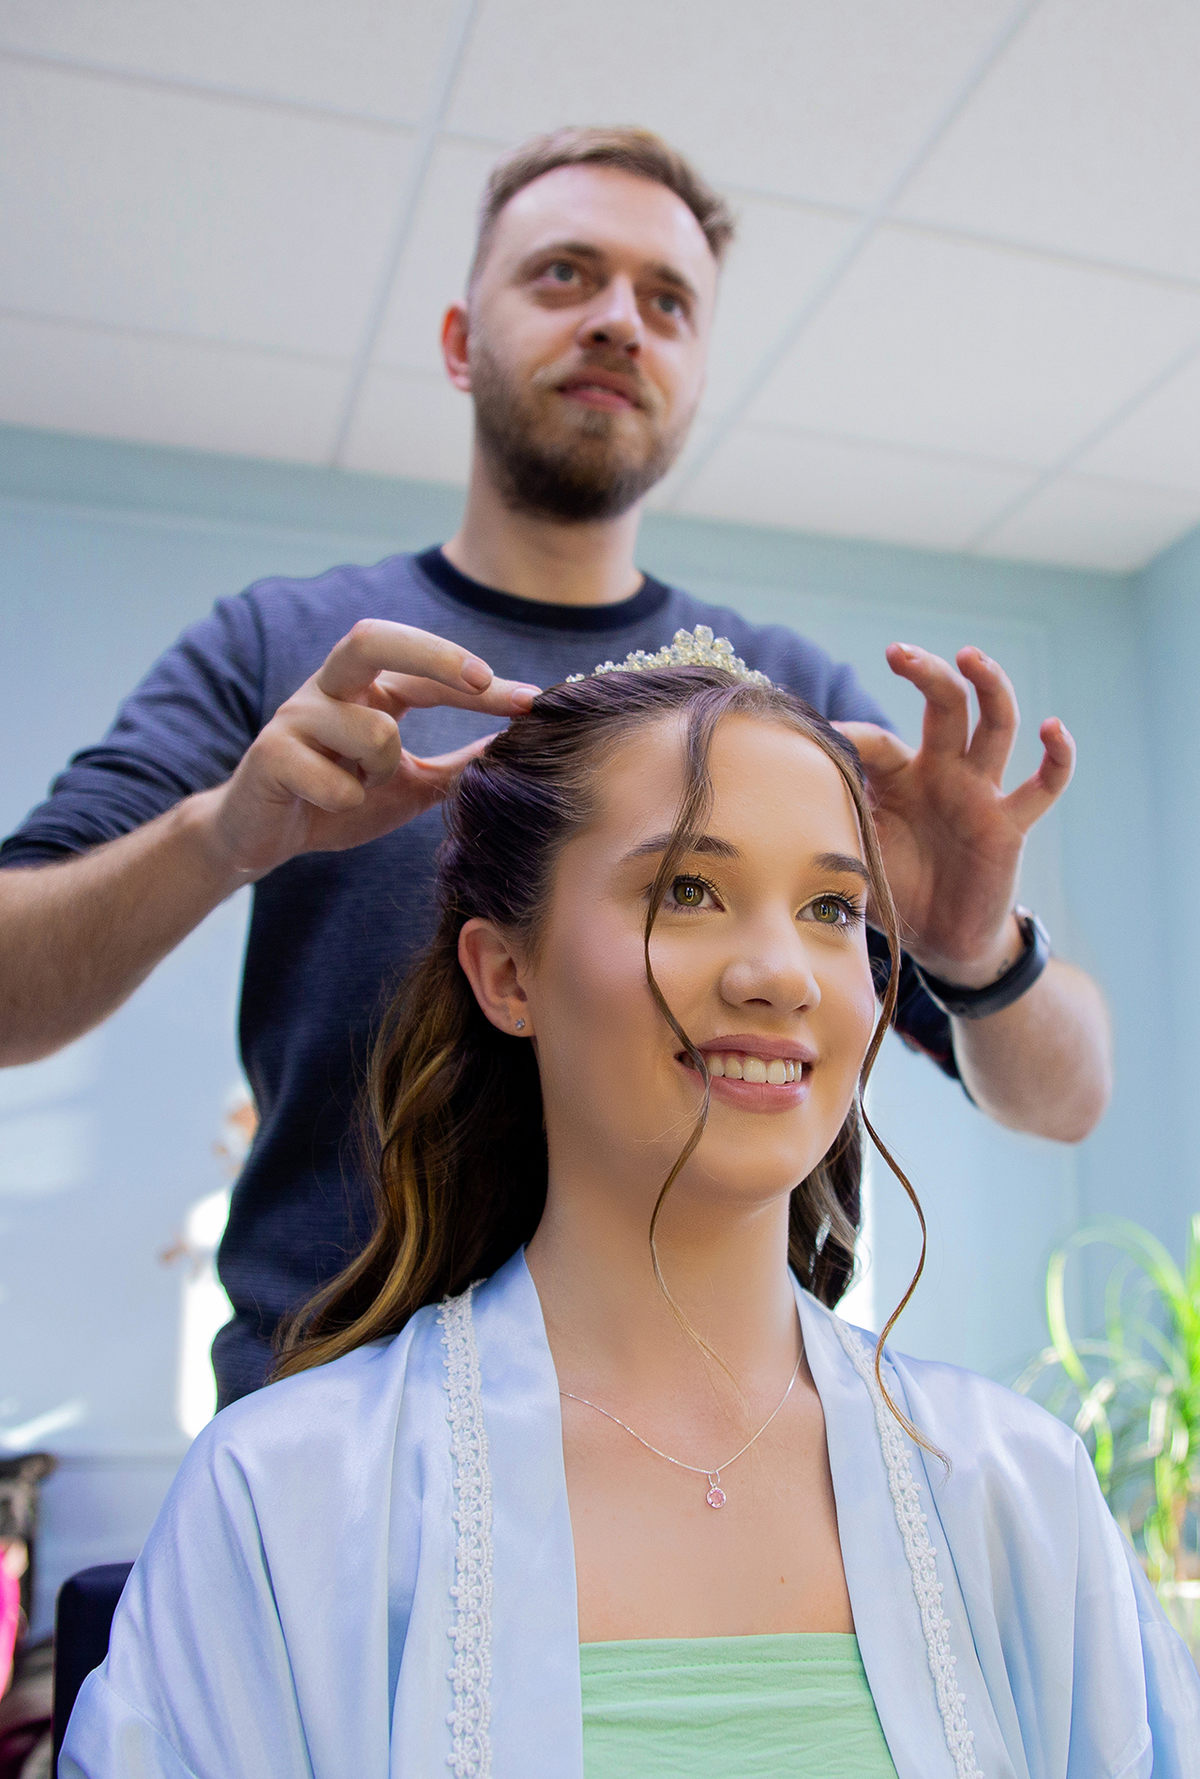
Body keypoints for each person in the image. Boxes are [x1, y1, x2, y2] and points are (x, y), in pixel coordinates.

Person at [0, 127, 1111, 1409]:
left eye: (668, 302)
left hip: (714, 1448)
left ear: (695, 373)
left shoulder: (789, 704)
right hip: (331, 1430)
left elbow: (1067, 1099)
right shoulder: (289, 650)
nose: (620, 325)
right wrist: (221, 834)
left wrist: (975, 948)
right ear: (463, 340)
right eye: (566, 276)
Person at [60, 654, 1196, 1777]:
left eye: (833, 908)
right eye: (685, 890)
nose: (779, 973)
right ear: (507, 975)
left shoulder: (1017, 1489)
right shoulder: (285, 1503)